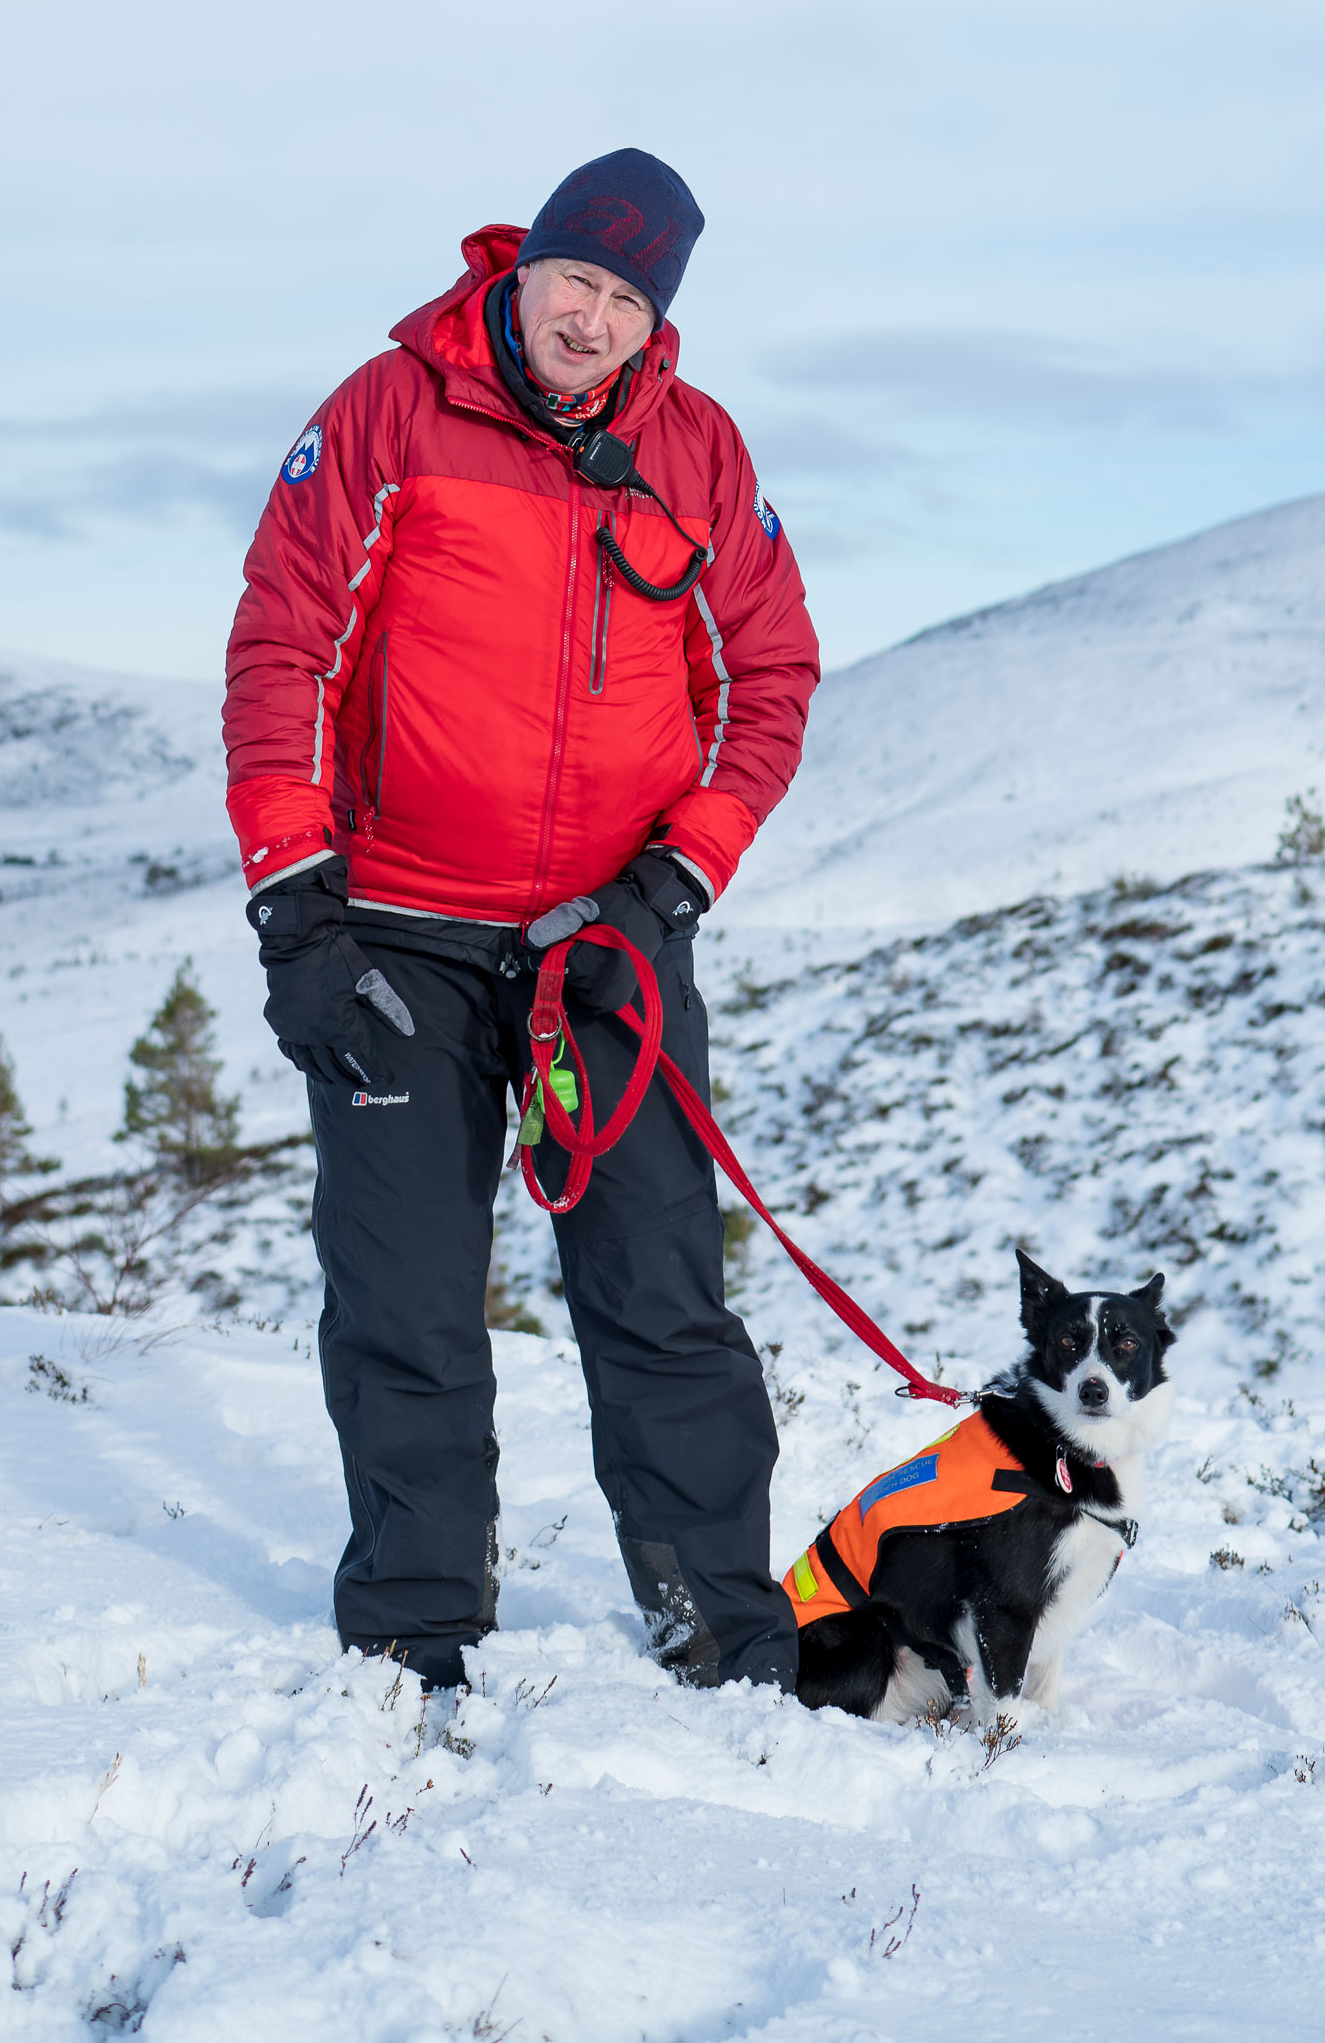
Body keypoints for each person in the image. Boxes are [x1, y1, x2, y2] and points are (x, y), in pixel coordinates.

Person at [222, 150, 819, 1696]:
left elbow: (776, 677)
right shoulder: (388, 411)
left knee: (663, 1294)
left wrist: (686, 869)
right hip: (398, 937)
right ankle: (418, 1628)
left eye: (630, 300)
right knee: (407, 1296)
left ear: (655, 319)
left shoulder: (697, 451)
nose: (593, 320)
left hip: (607, 940)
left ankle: (724, 1631)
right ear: (523, 265)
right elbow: (281, 640)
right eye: (578, 281)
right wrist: (295, 906)